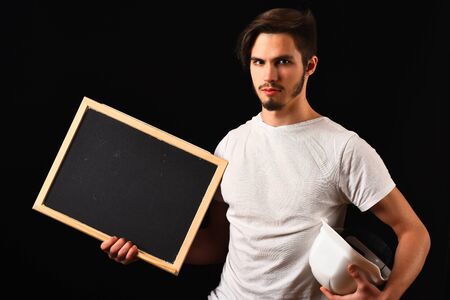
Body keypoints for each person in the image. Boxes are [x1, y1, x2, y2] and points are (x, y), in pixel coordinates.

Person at [100, 7, 430, 300]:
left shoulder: (343, 148)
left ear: (309, 66)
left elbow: (413, 231)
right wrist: (144, 248)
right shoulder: (230, 144)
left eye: (283, 62)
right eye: (259, 62)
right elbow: (218, 243)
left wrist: (389, 296)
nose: (269, 75)